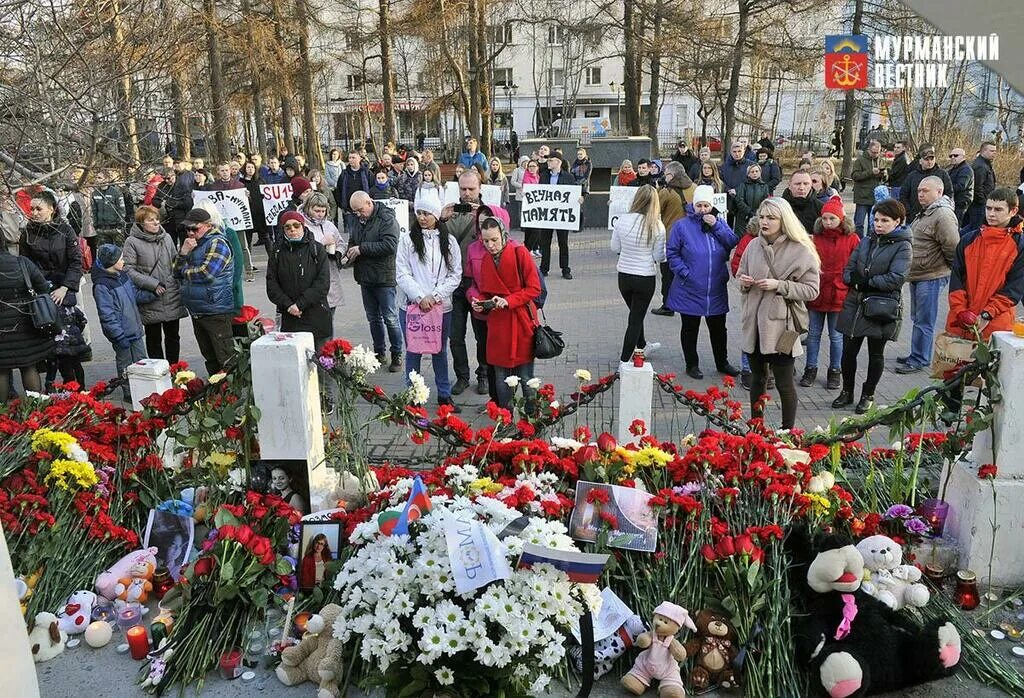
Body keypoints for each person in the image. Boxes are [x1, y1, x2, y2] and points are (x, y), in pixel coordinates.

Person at [737, 198, 821, 429]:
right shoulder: (754, 245)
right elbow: (739, 274)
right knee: (757, 380)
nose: (765, 222)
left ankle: (787, 432)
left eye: (771, 218)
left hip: (782, 328)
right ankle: (756, 430)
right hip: (753, 324)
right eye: (762, 217)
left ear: (784, 220)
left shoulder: (800, 250)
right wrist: (743, 282)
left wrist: (779, 285)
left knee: (785, 384)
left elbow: (812, 290)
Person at [833, 199, 912, 413]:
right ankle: (847, 391)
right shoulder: (866, 241)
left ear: (898, 221)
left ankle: (868, 394)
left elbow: (896, 277)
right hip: (855, 303)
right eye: (876, 219)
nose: (878, 224)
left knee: (876, 353)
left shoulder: (903, 246)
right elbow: (849, 269)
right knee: (848, 352)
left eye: (884, 220)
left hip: (881, 307)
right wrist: (855, 280)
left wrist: (867, 282)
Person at [395, 196, 463, 411]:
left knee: (439, 350)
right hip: (412, 306)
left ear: (436, 215)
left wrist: (434, 296)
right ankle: (414, 393)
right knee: (413, 350)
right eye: (420, 213)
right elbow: (402, 272)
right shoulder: (407, 240)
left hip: (440, 307)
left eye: (427, 213)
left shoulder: (449, 241)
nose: (422, 218)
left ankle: (444, 394)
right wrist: (419, 296)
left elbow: (455, 274)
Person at [666, 185, 740, 379]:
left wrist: (716, 225)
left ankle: (722, 362)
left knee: (718, 329)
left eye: (706, 205)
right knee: (690, 329)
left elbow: (732, 242)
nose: (703, 209)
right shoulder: (682, 226)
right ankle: (692, 364)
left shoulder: (719, 222)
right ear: (693, 205)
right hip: (689, 287)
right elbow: (672, 252)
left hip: (715, 287)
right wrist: (684, 272)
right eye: (699, 205)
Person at [471, 215, 542, 409]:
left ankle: (531, 419)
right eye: (486, 241)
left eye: (494, 240)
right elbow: (487, 289)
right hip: (498, 326)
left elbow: (534, 288)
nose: (490, 245)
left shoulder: (520, 253)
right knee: (501, 377)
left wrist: (508, 301)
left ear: (503, 235)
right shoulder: (486, 259)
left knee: (526, 376)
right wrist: (480, 302)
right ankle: (505, 418)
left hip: (521, 322)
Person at [894, 176, 960, 375]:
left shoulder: (943, 215)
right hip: (919, 275)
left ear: (939, 192)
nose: (921, 194)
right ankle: (917, 353)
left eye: (926, 191)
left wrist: (943, 269)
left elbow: (953, 247)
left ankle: (919, 358)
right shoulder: (926, 212)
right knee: (918, 318)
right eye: (919, 191)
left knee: (925, 320)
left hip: (931, 276)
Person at [20, 190, 85, 390]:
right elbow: (25, 265)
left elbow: (76, 261)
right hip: (42, 295)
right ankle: (52, 390)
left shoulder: (65, 230)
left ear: (51, 209)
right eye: (32, 209)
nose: (34, 212)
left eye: (39, 208)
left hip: (64, 292)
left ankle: (78, 391)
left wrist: (65, 288)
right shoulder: (28, 233)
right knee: (49, 351)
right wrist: (40, 289)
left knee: (69, 351)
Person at [947, 186, 1024, 342]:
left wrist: (987, 314)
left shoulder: (1020, 245)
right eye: (988, 208)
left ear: (1013, 211)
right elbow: (956, 280)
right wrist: (961, 311)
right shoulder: (968, 240)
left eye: (998, 209)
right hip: (962, 321)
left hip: (996, 323)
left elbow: (1014, 288)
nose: (991, 213)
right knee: (953, 365)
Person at [801, 196, 859, 390]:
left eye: (832, 219)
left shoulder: (851, 239)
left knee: (836, 337)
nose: (827, 223)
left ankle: (835, 370)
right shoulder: (815, 238)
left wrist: (848, 283)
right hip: (818, 291)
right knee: (814, 335)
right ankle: (810, 368)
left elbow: (856, 264)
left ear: (841, 219)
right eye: (824, 219)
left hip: (839, 293)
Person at [439, 171, 487, 395]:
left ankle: (484, 375)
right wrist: (439, 220)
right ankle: (462, 376)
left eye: (471, 189)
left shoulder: (489, 213)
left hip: (480, 285)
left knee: (482, 335)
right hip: (454, 285)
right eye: (463, 189)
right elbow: (430, 242)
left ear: (480, 188)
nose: (467, 194)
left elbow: (502, 241)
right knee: (455, 335)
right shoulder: (450, 212)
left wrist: (485, 219)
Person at [173, 207, 236, 374]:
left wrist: (184, 272)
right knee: (210, 358)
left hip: (216, 310)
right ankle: (216, 396)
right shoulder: (191, 244)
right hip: (198, 310)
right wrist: (183, 253)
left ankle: (232, 396)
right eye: (187, 229)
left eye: (195, 228)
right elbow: (174, 271)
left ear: (208, 225)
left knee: (226, 358)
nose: (190, 233)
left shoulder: (218, 243)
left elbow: (206, 274)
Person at [122, 206, 187, 364]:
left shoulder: (167, 238)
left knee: (173, 336)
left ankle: (174, 369)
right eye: (150, 220)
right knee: (153, 338)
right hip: (151, 296)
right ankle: (159, 371)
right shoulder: (132, 242)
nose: (156, 222)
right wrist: (152, 284)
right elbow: (128, 269)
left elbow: (174, 262)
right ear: (141, 223)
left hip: (170, 292)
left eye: (157, 218)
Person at [346, 191, 402, 371]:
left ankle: (397, 354)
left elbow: (390, 245)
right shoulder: (356, 220)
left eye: (360, 210)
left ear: (369, 203)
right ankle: (379, 353)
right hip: (365, 277)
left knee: (390, 318)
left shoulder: (386, 219)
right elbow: (353, 240)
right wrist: (349, 254)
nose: (358, 214)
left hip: (384, 277)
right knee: (373, 319)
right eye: (355, 212)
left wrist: (362, 249)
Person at [92, 244, 156, 400]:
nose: (123, 261)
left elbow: (134, 295)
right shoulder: (102, 285)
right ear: (111, 262)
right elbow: (107, 315)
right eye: (120, 259)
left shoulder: (123, 276)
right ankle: (129, 391)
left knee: (142, 360)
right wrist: (118, 335)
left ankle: (144, 387)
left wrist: (152, 294)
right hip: (121, 334)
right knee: (125, 364)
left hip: (135, 329)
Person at [611, 185, 665, 363]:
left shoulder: (622, 220)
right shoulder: (657, 225)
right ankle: (624, 361)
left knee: (635, 313)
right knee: (635, 319)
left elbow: (615, 248)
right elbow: (658, 256)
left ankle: (642, 345)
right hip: (645, 277)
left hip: (624, 276)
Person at [267, 211, 331, 355]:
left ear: (303, 226)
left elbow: (323, 283)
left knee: (320, 362)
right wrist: (289, 305)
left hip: (316, 314)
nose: (292, 230)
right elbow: (272, 285)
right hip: (290, 317)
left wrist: (300, 304)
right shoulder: (277, 252)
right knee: (295, 363)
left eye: (296, 226)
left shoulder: (317, 249)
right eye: (288, 227)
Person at [0, 246, 54, 402]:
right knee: (29, 366)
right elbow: (43, 287)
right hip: (25, 324)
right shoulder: (22, 262)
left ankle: (2, 415)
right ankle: (35, 409)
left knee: (1, 370)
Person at [652, 162, 696, 317]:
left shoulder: (667, 191)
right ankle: (688, 302)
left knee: (668, 274)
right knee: (688, 271)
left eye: (666, 174)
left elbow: (655, 208)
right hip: (692, 239)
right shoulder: (695, 188)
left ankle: (668, 305)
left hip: (671, 238)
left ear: (671, 175)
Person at [301, 192, 345, 325]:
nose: (320, 214)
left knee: (329, 320)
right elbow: (302, 249)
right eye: (316, 211)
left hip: (330, 274)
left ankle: (327, 345)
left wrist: (338, 253)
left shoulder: (329, 225)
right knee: (314, 321)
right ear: (308, 208)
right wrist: (321, 242)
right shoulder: (302, 226)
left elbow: (341, 243)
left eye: (323, 210)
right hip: (312, 277)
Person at [537, 152, 573, 280]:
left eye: (551, 160)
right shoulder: (543, 176)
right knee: (545, 243)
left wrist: (579, 198)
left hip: (561, 216)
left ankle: (565, 269)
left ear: (558, 162)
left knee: (563, 243)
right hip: (547, 215)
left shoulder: (568, 177)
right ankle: (544, 268)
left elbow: (574, 192)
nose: (548, 162)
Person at [899, 144, 954, 222]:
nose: (929, 162)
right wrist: (909, 211)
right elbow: (903, 194)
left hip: (936, 216)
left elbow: (949, 194)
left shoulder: (942, 174)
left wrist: (943, 210)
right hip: (914, 216)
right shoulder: (912, 175)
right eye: (926, 159)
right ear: (920, 161)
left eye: (932, 159)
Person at [91, 170, 135, 248]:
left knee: (119, 250)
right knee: (104, 251)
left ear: (107, 179)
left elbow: (122, 210)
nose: (97, 180)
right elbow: (94, 210)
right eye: (96, 177)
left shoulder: (116, 192)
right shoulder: (95, 193)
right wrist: (96, 225)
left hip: (115, 228)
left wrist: (119, 226)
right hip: (101, 229)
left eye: (99, 178)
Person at [851, 139, 885, 235]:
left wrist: (884, 174)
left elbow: (883, 179)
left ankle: (870, 242)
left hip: (874, 197)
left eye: (877, 152)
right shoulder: (860, 161)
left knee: (873, 224)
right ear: (869, 150)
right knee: (859, 223)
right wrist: (870, 172)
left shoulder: (880, 161)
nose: (875, 154)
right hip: (862, 196)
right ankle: (859, 242)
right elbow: (855, 176)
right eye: (873, 152)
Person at [335, 151, 371, 234]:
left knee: (366, 233)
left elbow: (371, 188)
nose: (351, 160)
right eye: (349, 158)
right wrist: (342, 206)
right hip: (349, 210)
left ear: (359, 158)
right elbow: (339, 190)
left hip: (364, 209)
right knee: (352, 234)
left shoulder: (366, 172)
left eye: (353, 158)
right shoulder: (344, 174)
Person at [732, 164, 771, 236]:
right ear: (748, 174)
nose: (755, 173)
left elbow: (765, 201)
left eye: (756, 171)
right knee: (743, 239)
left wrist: (758, 212)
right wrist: (749, 212)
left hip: (758, 216)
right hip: (743, 217)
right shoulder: (743, 185)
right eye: (752, 172)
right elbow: (739, 200)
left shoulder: (764, 186)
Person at [965, 141, 997, 230]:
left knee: (972, 227)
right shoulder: (981, 166)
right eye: (991, 151)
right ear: (983, 151)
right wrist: (983, 201)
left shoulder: (985, 164)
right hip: (979, 204)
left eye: (995, 151)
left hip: (981, 202)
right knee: (976, 228)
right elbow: (977, 187)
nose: (994, 153)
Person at [782, 171, 823, 235]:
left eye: (806, 184)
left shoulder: (820, 208)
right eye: (797, 184)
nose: (801, 188)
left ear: (811, 185)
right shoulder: (780, 206)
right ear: (789, 185)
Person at [946, 147, 974, 225]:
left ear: (963, 157)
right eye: (950, 156)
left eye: (955, 155)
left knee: (955, 224)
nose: (952, 157)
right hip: (954, 201)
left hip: (960, 202)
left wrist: (946, 189)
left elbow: (961, 186)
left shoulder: (966, 169)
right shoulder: (953, 169)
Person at [508, 155, 530, 228]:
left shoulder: (530, 170)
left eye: (527, 162)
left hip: (529, 194)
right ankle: (522, 225)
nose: (526, 164)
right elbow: (513, 181)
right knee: (521, 210)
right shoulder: (517, 170)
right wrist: (521, 185)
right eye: (524, 162)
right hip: (520, 193)